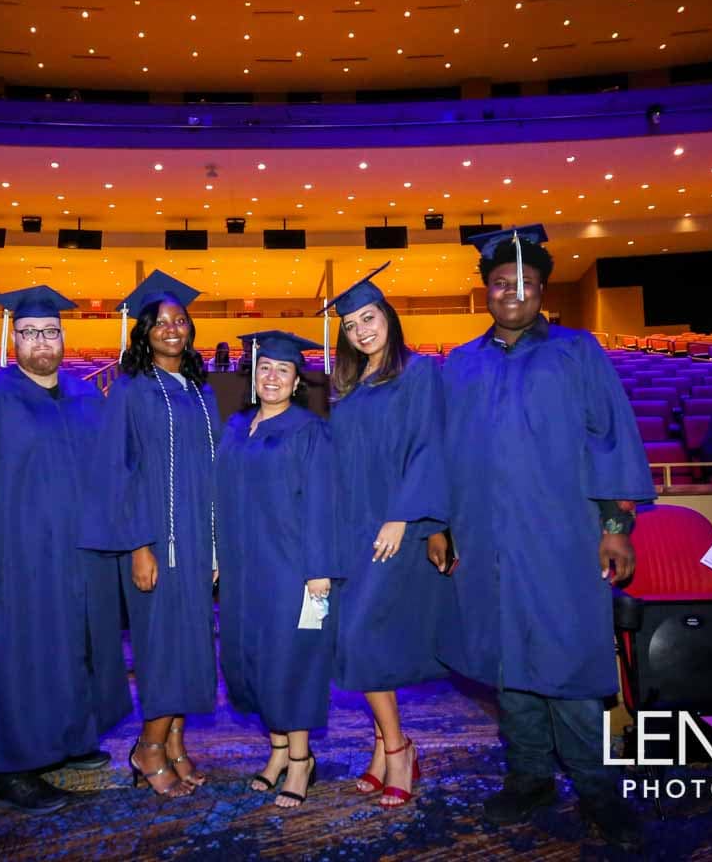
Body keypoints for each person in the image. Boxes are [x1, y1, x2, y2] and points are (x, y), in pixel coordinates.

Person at [437, 225, 654, 846]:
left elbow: (609, 438)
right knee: (508, 662)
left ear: (542, 290)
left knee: (569, 662)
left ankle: (597, 791)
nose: (514, 292)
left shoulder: (577, 351)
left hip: (562, 538)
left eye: (526, 282)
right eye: (502, 282)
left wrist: (615, 526)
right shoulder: (461, 364)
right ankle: (529, 777)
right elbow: (442, 452)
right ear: (486, 291)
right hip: (486, 537)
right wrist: (441, 525)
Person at [0, 285, 130, 813]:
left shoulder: (85, 397)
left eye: (50, 331)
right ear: (14, 339)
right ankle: (13, 770)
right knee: (13, 659)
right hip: (13, 560)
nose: (41, 342)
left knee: (73, 650)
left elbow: (109, 474)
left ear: (63, 337)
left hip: (77, 557)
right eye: (30, 332)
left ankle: (70, 739)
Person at [81, 270, 220, 799]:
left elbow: (211, 471)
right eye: (160, 322)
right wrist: (139, 546)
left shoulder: (201, 391)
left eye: (179, 320)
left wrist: (215, 546)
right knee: (162, 648)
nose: (171, 328)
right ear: (144, 332)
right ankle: (149, 748)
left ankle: (177, 744)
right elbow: (117, 472)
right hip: (154, 540)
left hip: (195, 540)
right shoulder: (130, 389)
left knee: (190, 645)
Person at [318, 263, 452, 809]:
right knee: (357, 640)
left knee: (363, 637)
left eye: (368, 318)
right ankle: (382, 747)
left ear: (388, 318)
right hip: (351, 529)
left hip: (393, 525)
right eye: (350, 326)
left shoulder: (419, 373)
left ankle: (398, 748)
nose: (361, 331)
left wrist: (402, 516)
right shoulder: (347, 387)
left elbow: (428, 445)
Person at [216, 331, 340, 810]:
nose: (272, 377)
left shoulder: (309, 431)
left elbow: (322, 503)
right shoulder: (235, 427)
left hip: (290, 567)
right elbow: (217, 496)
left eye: (282, 370)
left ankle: (301, 760)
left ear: (296, 380)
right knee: (254, 659)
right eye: (265, 368)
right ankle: (277, 752)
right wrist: (215, 555)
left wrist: (318, 569)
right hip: (242, 568)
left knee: (292, 661)